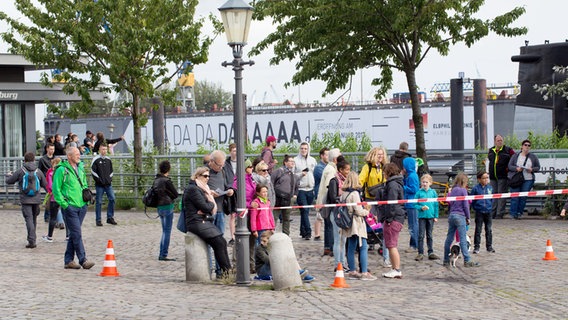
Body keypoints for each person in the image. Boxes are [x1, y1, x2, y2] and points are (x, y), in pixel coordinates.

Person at [52, 147, 95, 269]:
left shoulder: (80, 167)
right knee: (77, 233)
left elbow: (84, 183)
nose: (79, 156)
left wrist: (86, 199)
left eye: (79, 154)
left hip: (82, 206)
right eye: (76, 154)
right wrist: (65, 205)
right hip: (70, 207)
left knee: (74, 234)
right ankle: (83, 260)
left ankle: (68, 261)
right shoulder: (61, 170)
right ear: (69, 156)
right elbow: (56, 190)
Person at [184, 167, 232, 277]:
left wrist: (208, 201)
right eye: (205, 176)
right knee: (218, 243)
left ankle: (228, 271)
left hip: (203, 220)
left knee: (222, 242)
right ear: (197, 176)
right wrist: (210, 202)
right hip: (196, 222)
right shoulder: (193, 189)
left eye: (208, 176)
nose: (207, 178)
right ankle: (227, 272)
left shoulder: (203, 189)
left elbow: (205, 208)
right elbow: (206, 207)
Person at [5, 152, 47, 248]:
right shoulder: (38, 171)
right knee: (34, 219)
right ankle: (33, 239)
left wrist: (8, 175)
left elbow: (9, 181)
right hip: (36, 199)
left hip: (25, 199)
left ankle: (31, 241)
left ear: (24, 160)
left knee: (28, 219)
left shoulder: (21, 171)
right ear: (33, 160)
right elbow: (45, 184)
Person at [341, 171, 377, 281]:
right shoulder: (355, 194)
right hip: (356, 223)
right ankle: (364, 272)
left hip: (348, 223)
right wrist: (367, 211)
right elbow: (358, 210)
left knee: (351, 247)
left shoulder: (344, 194)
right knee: (363, 246)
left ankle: (352, 270)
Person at [443, 173, 480, 268]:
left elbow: (450, 203)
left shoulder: (453, 190)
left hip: (452, 215)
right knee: (463, 239)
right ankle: (467, 260)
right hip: (460, 216)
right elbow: (465, 205)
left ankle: (446, 259)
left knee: (449, 238)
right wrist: (468, 217)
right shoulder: (463, 191)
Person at [377, 163, 405, 279]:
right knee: (391, 244)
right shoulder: (396, 183)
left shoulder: (392, 185)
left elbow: (391, 203)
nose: (383, 174)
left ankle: (396, 269)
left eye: (384, 172)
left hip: (393, 218)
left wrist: (388, 218)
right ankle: (394, 268)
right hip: (397, 216)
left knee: (391, 244)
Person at [152, 160, 180, 261]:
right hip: (167, 206)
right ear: (168, 169)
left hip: (159, 207)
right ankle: (163, 254)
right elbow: (175, 194)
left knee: (164, 231)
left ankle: (161, 253)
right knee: (167, 232)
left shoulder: (156, 180)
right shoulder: (166, 181)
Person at [316, 148, 341, 256]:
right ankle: (330, 247)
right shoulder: (331, 170)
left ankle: (328, 246)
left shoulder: (329, 167)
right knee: (330, 225)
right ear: (336, 159)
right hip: (328, 201)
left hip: (324, 200)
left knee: (328, 225)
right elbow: (330, 187)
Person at [507, 139, 540, 220]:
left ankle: (519, 213)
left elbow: (538, 167)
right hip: (516, 179)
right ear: (522, 146)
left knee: (523, 197)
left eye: (529, 145)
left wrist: (532, 169)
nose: (527, 147)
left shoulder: (533, 156)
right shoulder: (515, 156)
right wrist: (517, 168)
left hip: (528, 179)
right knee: (515, 196)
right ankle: (513, 213)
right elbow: (510, 166)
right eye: (525, 145)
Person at [206, 150, 235, 236]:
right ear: (211, 161)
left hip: (220, 209)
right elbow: (195, 189)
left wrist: (230, 190)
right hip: (209, 210)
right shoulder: (204, 172)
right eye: (219, 165)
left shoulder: (223, 171)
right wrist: (209, 193)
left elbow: (227, 184)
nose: (221, 167)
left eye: (223, 165)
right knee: (209, 236)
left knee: (220, 236)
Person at [487, 134, 515, 219]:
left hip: (503, 176)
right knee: (493, 195)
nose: (500, 142)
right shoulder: (491, 150)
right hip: (493, 176)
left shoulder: (508, 150)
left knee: (501, 195)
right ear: (495, 141)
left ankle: (500, 213)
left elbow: (515, 159)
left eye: (501, 140)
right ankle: (492, 213)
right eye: (498, 140)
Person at [294, 142, 317, 240]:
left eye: (305, 148)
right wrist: (300, 174)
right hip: (301, 189)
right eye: (302, 148)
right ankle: (308, 231)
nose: (303, 150)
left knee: (305, 212)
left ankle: (302, 231)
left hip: (310, 188)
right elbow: (293, 175)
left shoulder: (312, 160)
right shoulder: (295, 160)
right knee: (305, 210)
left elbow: (314, 173)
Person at [413, 174, 439, 261]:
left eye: (426, 182)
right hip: (422, 216)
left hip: (431, 216)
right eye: (423, 182)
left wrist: (436, 216)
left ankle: (430, 252)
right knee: (421, 235)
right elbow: (415, 204)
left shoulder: (433, 192)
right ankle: (420, 253)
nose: (424, 184)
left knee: (429, 235)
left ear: (430, 183)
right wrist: (420, 208)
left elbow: (436, 204)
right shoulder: (419, 193)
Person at [91, 144, 117, 226]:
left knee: (112, 199)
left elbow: (111, 171)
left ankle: (110, 217)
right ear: (99, 150)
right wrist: (99, 180)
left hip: (108, 184)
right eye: (103, 149)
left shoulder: (108, 160)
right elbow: (93, 171)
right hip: (99, 185)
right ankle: (98, 219)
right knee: (98, 202)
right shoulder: (96, 160)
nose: (104, 151)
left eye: (105, 149)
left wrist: (109, 179)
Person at [271, 155, 297, 235]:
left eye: (293, 162)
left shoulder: (293, 173)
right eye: (290, 161)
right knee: (274, 217)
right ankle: (271, 235)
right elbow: (271, 183)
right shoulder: (279, 171)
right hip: (278, 198)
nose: (292, 163)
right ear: (285, 162)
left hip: (289, 198)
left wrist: (295, 195)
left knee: (286, 218)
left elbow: (296, 185)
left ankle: (286, 235)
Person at [471, 170, 495, 254]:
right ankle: (476, 247)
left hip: (488, 211)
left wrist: (490, 206)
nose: (485, 180)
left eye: (487, 178)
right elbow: (472, 200)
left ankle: (489, 246)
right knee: (478, 230)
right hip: (479, 211)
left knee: (488, 229)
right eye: (483, 178)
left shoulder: (490, 188)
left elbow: (492, 199)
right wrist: (476, 207)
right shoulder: (475, 189)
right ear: (479, 179)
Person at [42, 157, 63, 242]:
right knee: (66, 217)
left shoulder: (50, 173)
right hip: (63, 197)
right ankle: (68, 236)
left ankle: (50, 236)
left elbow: (50, 186)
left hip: (54, 197)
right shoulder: (64, 171)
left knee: (53, 217)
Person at [402, 157, 420, 253]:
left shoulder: (412, 176)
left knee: (413, 226)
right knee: (412, 225)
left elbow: (413, 189)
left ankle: (415, 245)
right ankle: (413, 244)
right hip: (410, 203)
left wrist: (403, 187)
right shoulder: (410, 175)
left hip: (412, 203)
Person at [312, 147, 329, 241]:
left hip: (326, 193)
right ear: (322, 156)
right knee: (319, 214)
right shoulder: (319, 167)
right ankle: (317, 234)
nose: (328, 156)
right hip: (320, 192)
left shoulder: (328, 166)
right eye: (326, 154)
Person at [39, 142, 56, 222]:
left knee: (53, 198)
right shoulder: (42, 159)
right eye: (51, 149)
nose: (52, 151)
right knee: (49, 196)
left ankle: (52, 215)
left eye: (53, 149)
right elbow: (39, 170)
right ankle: (47, 216)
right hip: (46, 181)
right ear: (47, 149)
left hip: (55, 181)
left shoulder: (55, 158)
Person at [224, 143, 237, 245]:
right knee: (233, 214)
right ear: (230, 151)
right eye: (233, 151)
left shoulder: (243, 162)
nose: (235, 153)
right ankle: (233, 236)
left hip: (241, 189)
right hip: (231, 190)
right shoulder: (226, 163)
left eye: (237, 151)